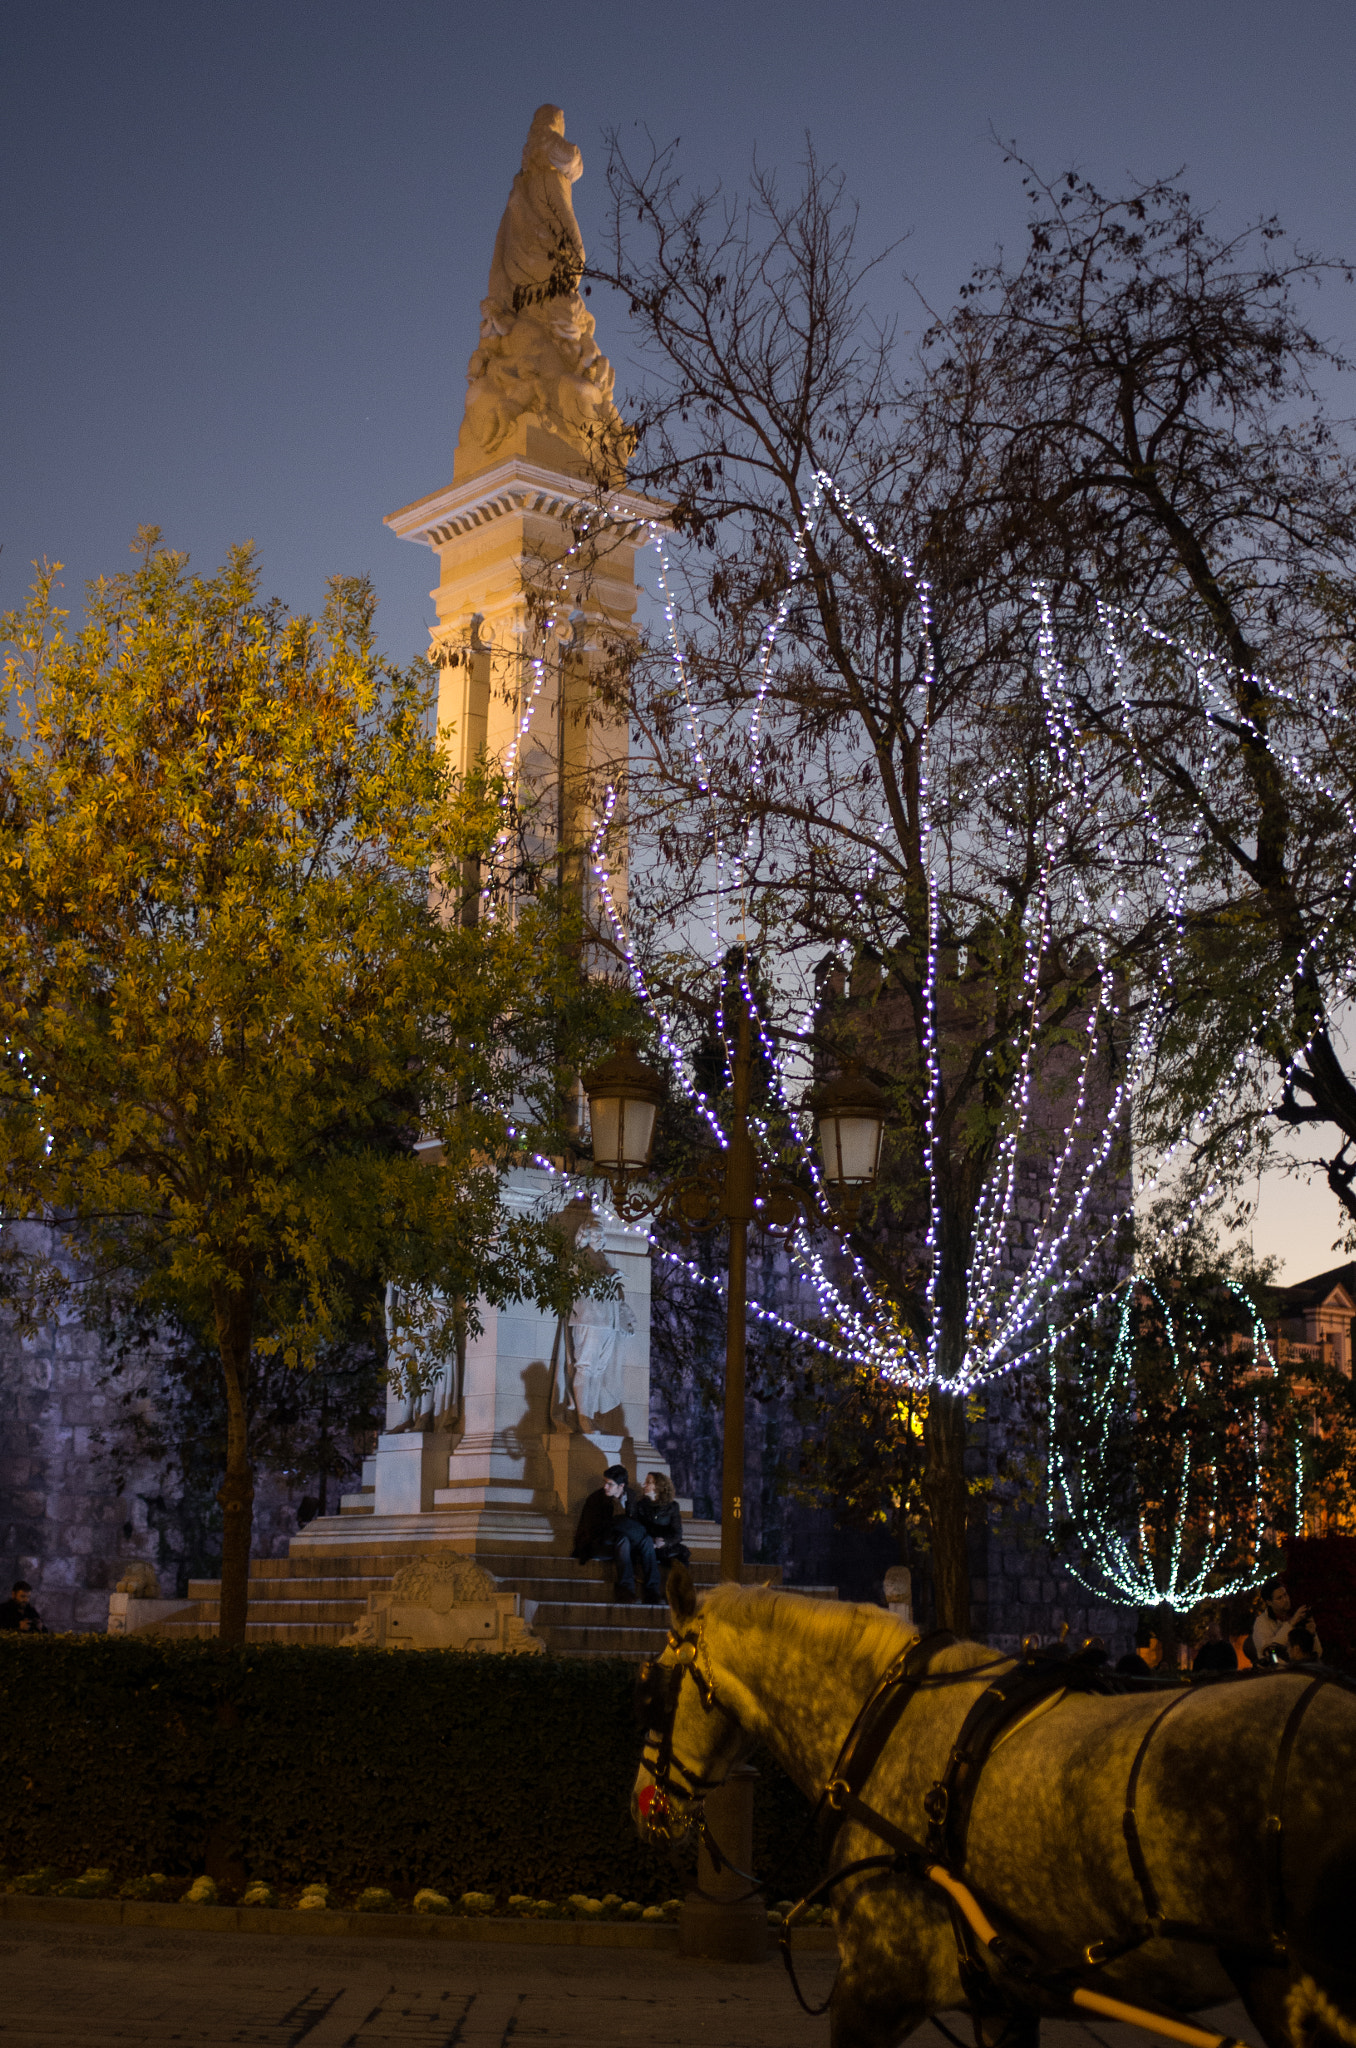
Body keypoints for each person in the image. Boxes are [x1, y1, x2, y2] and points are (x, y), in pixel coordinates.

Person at [570, 1465, 662, 1604]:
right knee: (622, 1536)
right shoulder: (597, 1499)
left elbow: (639, 1521)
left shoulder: (631, 1496)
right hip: (599, 1542)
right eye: (605, 1482)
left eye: (610, 1484)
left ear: (621, 1486)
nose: (605, 1487)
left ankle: (652, 1591)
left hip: (626, 1541)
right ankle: (626, 1591)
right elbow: (593, 1530)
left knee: (646, 1540)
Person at [1252, 1578, 1322, 1666]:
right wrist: (1291, 1624)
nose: (1285, 1600)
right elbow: (1269, 1650)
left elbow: (1317, 1653)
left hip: (1303, 1669)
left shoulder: (1295, 1616)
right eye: (1279, 1598)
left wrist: (1312, 1634)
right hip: (1277, 1672)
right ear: (1269, 1602)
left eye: (1285, 1595)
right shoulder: (1262, 1623)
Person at [639, 1472, 690, 1573]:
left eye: (648, 1482)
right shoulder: (641, 1505)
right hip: (648, 1545)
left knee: (680, 1561)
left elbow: (677, 1534)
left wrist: (665, 1542)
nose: (644, 1485)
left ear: (658, 1486)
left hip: (666, 1546)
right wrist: (651, 1541)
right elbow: (639, 1529)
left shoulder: (672, 1506)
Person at [1191, 1610, 1238, 1676]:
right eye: (1210, 1636)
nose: (1212, 1638)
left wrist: (1218, 1672)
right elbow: (1196, 1667)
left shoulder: (1227, 1648)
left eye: (1214, 1636)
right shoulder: (1204, 1650)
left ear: (1219, 1634)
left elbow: (1232, 1666)